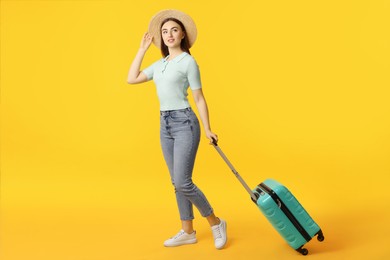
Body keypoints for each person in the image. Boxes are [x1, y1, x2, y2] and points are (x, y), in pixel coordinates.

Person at [127, 9, 227, 249]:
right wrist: (142, 49)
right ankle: (188, 231)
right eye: (164, 31)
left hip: (184, 123)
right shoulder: (160, 64)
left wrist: (207, 128)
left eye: (174, 30)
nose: (169, 34)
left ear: (182, 35)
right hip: (165, 124)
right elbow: (132, 78)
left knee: (183, 182)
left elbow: (199, 98)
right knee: (176, 182)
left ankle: (215, 222)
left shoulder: (188, 62)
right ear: (160, 38)